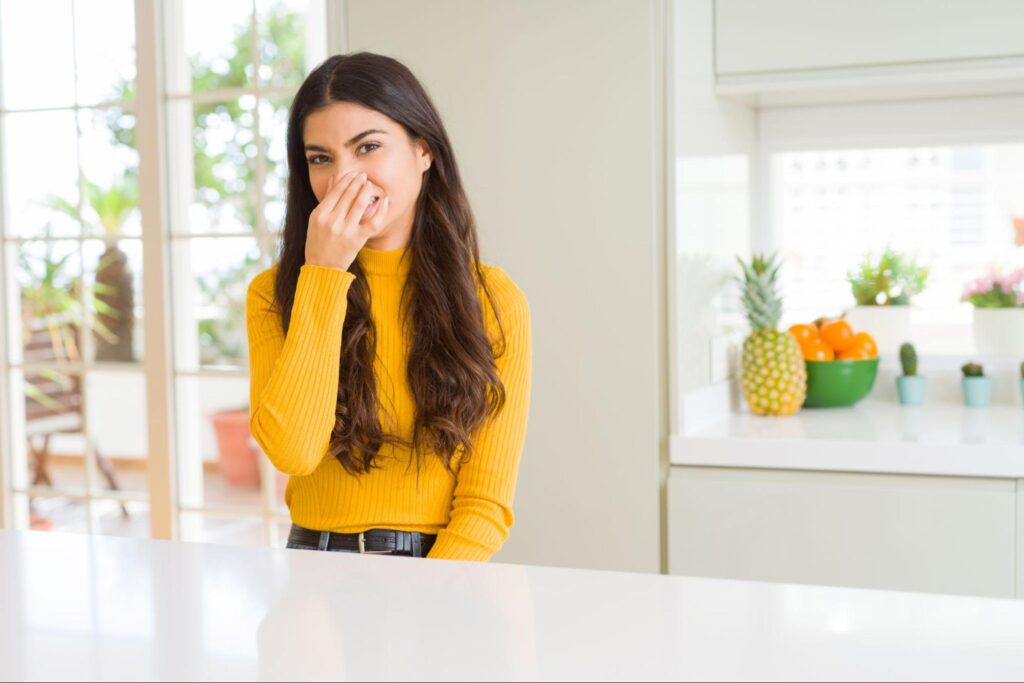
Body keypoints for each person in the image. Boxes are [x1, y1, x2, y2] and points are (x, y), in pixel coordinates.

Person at [245, 52, 532, 561]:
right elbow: (293, 450)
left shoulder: (490, 299)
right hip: (314, 568)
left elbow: (485, 505)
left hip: (438, 574)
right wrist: (324, 274)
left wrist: (426, 605)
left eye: (368, 147)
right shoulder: (275, 293)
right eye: (321, 158)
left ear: (423, 150)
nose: (344, 180)